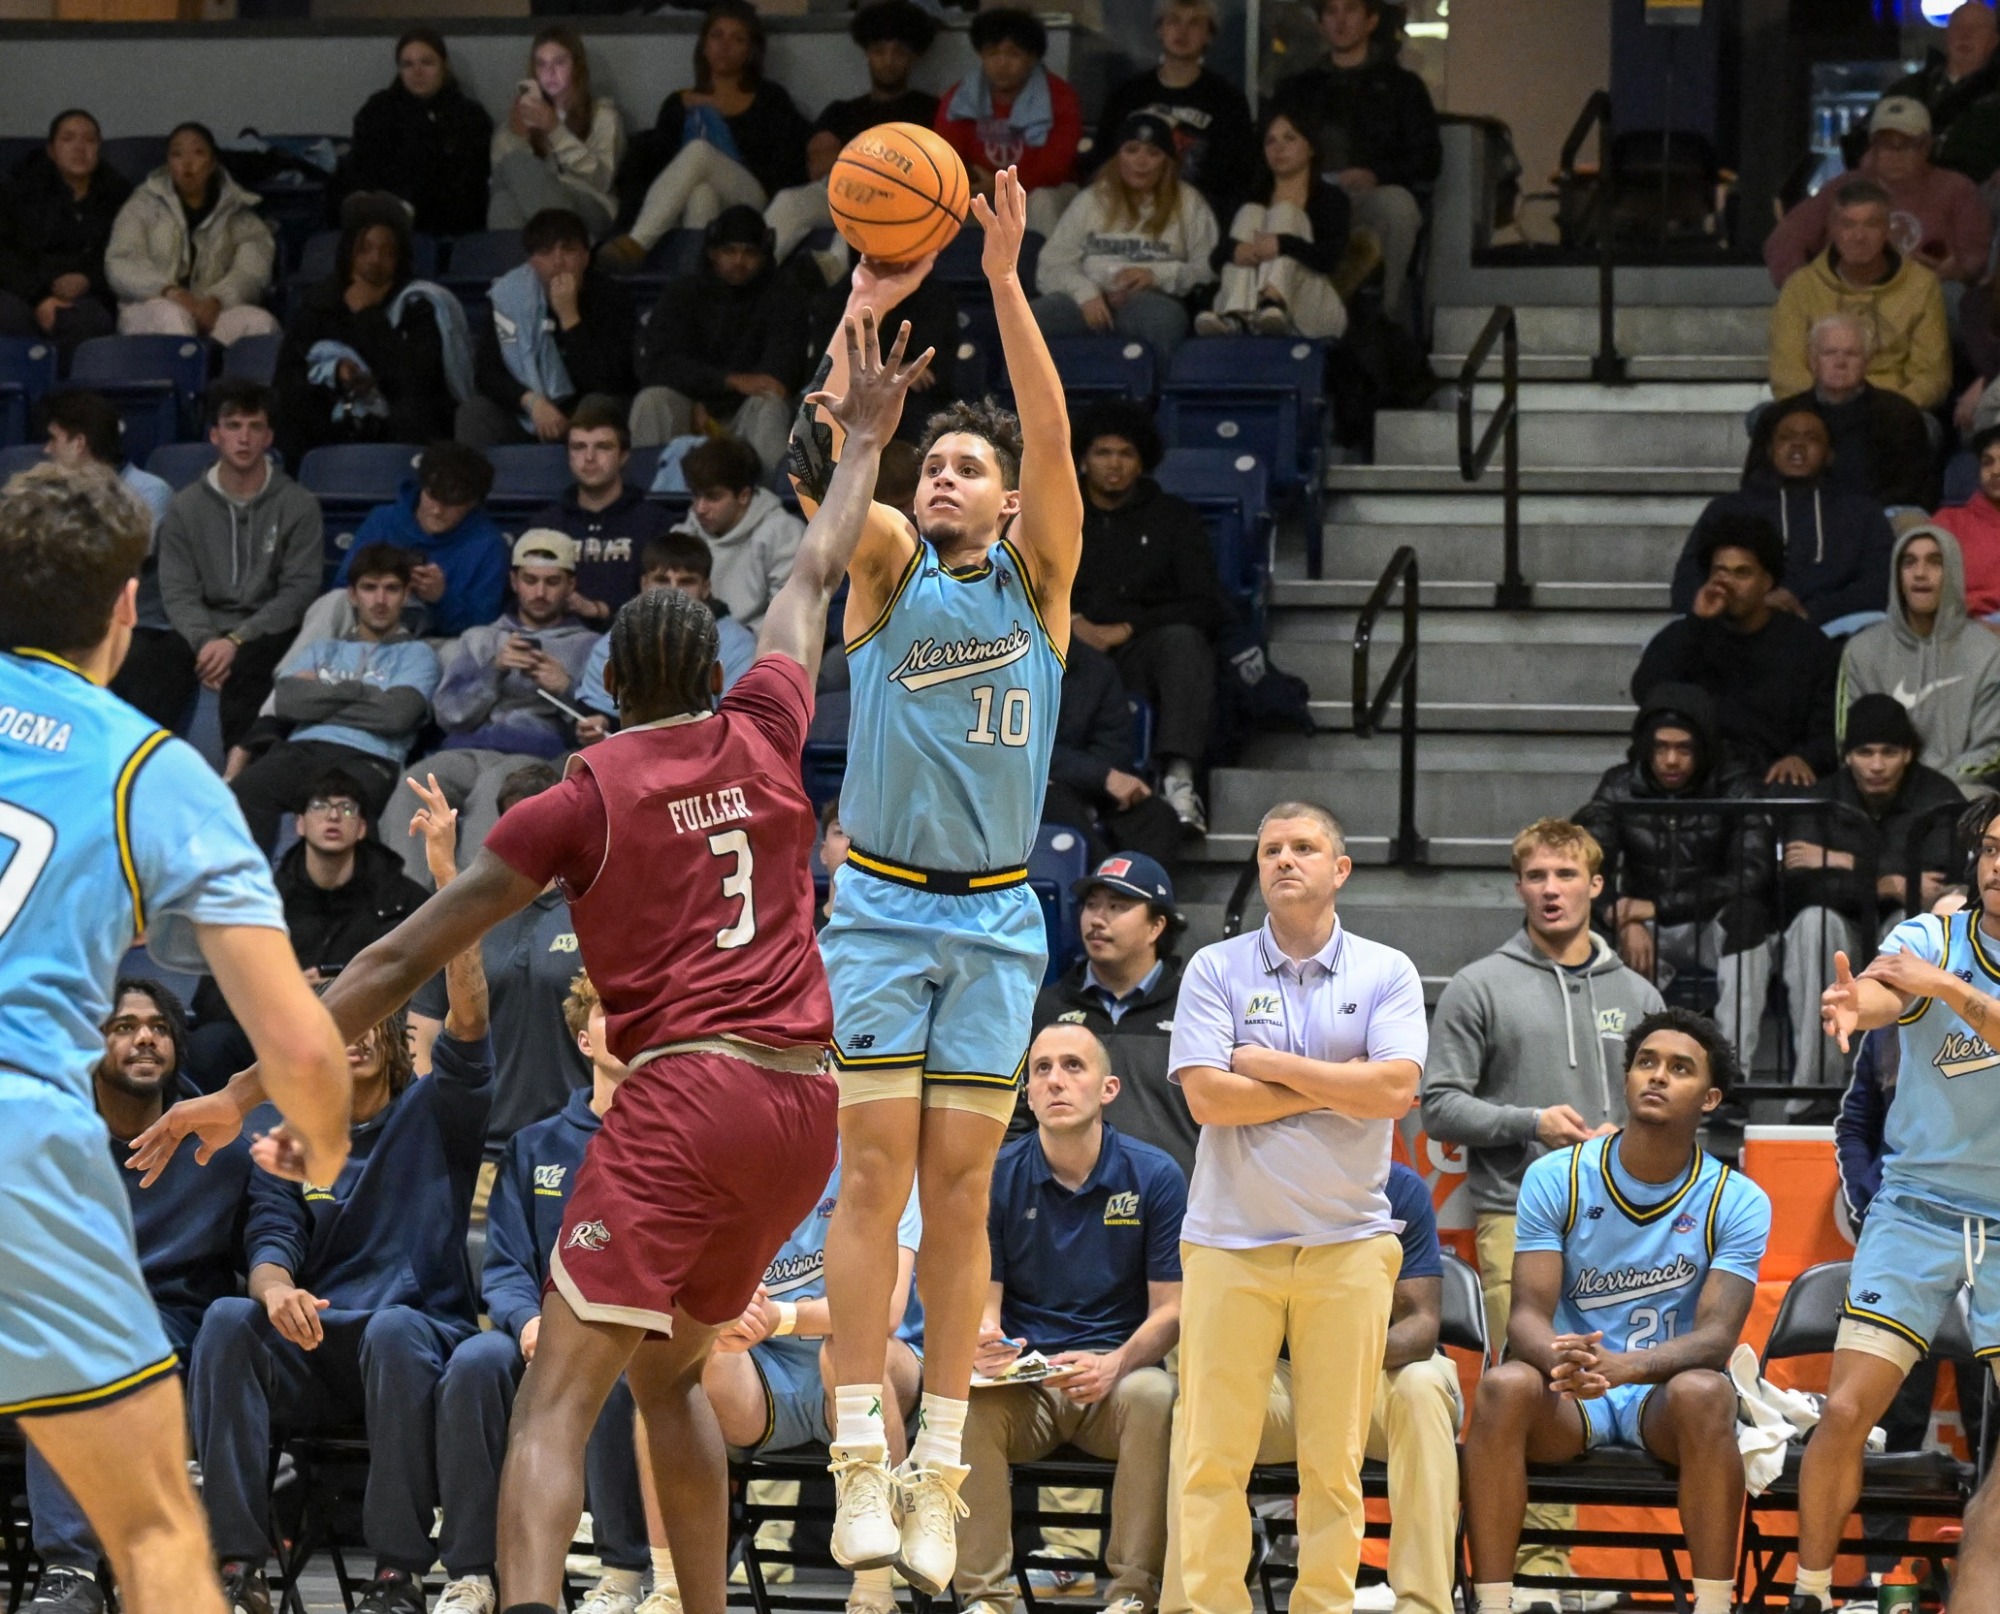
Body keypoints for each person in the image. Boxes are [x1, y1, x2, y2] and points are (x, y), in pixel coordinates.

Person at [133, 310, 933, 1614]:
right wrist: (864, 446)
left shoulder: (584, 788)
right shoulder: (769, 727)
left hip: (688, 1092)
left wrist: (243, 1091)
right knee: (670, 1370)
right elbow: (817, 572)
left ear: (609, 682)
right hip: (802, 1101)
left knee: (559, 1391)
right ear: (715, 675)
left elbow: (396, 953)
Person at [798, 173, 1081, 1596]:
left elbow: (1050, 430)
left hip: (996, 912)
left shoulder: (1039, 584)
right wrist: (858, 329)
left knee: (965, 1191)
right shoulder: (892, 570)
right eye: (933, 467)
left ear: (1012, 501)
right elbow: (826, 473)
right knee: (872, 1176)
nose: (943, 479)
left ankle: (943, 1456)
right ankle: (860, 1442)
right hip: (886, 906)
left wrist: (1009, 280)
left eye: (968, 468)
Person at [0, 462, 349, 1614]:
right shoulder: (150, 768)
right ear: (127, 608)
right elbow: (302, 1056)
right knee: (154, 1531)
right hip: (18, 1134)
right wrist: (321, 1150)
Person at [185, 776, 494, 1614]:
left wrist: (449, 878)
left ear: (394, 1036)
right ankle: (236, 1568)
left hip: (409, 1343)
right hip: (317, 1345)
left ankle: (398, 1572)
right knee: (226, 1318)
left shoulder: (440, 1110)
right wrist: (276, 1289)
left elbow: (468, 1017)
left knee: (394, 1328)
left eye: (369, 1020)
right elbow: (269, 1241)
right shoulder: (287, 1128)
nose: (351, 1033)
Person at [1165, 801, 1426, 1614]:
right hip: (1228, 1241)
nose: (1285, 859)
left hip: (1348, 1242)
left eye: (1305, 847)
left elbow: (1396, 1090)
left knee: (1334, 1466)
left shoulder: (1388, 971)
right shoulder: (1214, 967)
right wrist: (1332, 1086)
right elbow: (1210, 1099)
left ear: (1339, 869)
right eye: (1271, 847)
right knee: (1210, 1457)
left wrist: (1271, 1067)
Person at [1461, 1011, 1771, 1614]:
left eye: (1679, 1069)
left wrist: (1624, 1367)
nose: (1657, 1077)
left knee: (1707, 1392)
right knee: (1502, 1385)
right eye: (1646, 1062)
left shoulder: (1736, 1199)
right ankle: (1493, 1603)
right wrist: (1559, 1353)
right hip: (1572, 1392)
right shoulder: (1558, 1176)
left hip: (1661, 1396)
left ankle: (1714, 1605)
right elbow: (1525, 1312)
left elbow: (1717, 1337)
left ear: (1709, 1098)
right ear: (1627, 1078)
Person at [1781, 793, 2000, 1614]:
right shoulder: (1928, 937)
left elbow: (1935, 991)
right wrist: (1856, 1004)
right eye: (1989, 850)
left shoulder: (1941, 964)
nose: (1998, 864)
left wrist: (1947, 989)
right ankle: (1810, 1592)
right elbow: (1887, 991)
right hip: (1919, 1204)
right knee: (1844, 1408)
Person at [19, 980, 255, 1614]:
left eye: (157, 1027)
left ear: (178, 1045)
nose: (144, 1037)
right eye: (123, 1026)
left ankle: (72, 1569)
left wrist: (276, 1277)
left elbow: (269, 1234)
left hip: (176, 1337)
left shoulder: (219, 1142)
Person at [1157, 1158, 1462, 1614]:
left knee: (1423, 1389)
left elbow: (1422, 1326)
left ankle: (1423, 1604)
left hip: (1371, 1376)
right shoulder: (1247, 1187)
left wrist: (1334, 1356)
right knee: (1195, 1408)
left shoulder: (1397, 1186)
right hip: (1276, 1385)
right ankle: (1191, 1606)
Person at [434, 970, 649, 1614]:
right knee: (475, 1362)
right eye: (611, 1011)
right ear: (584, 1040)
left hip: (628, 1335)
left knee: (607, 1363)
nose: (626, 1026)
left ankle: (623, 1571)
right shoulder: (535, 1146)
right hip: (538, 1335)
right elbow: (503, 1266)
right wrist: (527, 1322)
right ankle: (472, 1573)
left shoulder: (672, 1145)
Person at [959, 1023, 1185, 1614]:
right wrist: (986, 1338)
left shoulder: (1155, 1175)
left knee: (1158, 1394)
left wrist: (1115, 1364)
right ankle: (986, 1597)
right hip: (1028, 1382)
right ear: (1026, 1094)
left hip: (1115, 1378)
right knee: (964, 1399)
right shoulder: (996, 1174)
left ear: (1108, 1088)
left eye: (1073, 1067)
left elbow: (1173, 1310)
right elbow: (986, 1297)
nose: (1056, 1080)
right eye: (1041, 1070)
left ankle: (1133, 1592)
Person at [1423, 817, 1664, 1344]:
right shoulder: (1478, 986)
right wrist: (1532, 1123)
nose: (1550, 889)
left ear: (1596, 885)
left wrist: (1628, 1143)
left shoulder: (1641, 996)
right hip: (1518, 1213)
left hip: (1626, 1215)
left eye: (1565, 874)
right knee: (1524, 1383)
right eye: (1536, 876)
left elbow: (1670, 1112)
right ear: (1519, 888)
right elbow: (1438, 1106)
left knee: (1618, 1381)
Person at [699, 1148, 924, 1614]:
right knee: (670, 1377)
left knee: (849, 1350)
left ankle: (875, 1591)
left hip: (879, 1361)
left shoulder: (886, 1161)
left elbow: (884, 1312)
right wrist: (723, 1314)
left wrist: (781, 1315)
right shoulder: (738, 1158)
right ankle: (667, 1587)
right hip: (765, 1369)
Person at [188, 765, 429, 1091]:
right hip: (272, 1039)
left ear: (360, 828)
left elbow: (425, 990)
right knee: (209, 1044)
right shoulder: (259, 902)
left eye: (346, 809)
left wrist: (344, 993)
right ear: (299, 824)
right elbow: (209, 997)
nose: (332, 817)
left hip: (361, 1037)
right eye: (319, 806)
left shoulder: (400, 900)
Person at [1573, 684, 1772, 1077]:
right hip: (1643, 928)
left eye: (1684, 749)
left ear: (1704, 750)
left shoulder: (1736, 785)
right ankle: (1613, 1079)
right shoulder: (1619, 784)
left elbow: (1753, 872)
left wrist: (1660, 906)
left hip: (1713, 926)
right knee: (1580, 921)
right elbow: (1584, 864)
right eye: (1661, 747)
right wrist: (1620, 915)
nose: (1671, 760)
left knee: (1749, 917)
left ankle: (1732, 1079)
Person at [1772, 694, 1964, 1096]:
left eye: (1889, 752)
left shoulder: (1939, 795)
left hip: (1898, 927)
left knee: (1913, 928)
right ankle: (1813, 1091)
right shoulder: (1821, 798)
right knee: (1813, 923)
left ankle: (1895, 1088)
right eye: (1865, 752)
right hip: (1837, 929)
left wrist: (1841, 861)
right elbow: (1799, 885)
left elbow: (1940, 883)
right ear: (1848, 756)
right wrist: (1886, 880)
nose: (1876, 765)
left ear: (1908, 753)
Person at [386, 530, 601, 883]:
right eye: (530, 580)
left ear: (570, 585)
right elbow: (449, 715)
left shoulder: (590, 645)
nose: (540, 593)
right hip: (468, 749)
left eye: (552, 582)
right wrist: (493, 672)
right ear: (514, 581)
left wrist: (566, 688)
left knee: (497, 787)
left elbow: (600, 725)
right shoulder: (480, 638)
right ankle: (408, 908)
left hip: (538, 755)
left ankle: (472, 916)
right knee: (416, 782)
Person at [228, 543, 443, 852]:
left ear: (406, 595)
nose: (380, 600)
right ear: (353, 595)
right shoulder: (322, 649)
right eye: (370, 588)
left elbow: (397, 717)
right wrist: (364, 692)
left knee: (349, 812)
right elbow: (288, 703)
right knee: (243, 791)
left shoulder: (418, 655)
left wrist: (324, 696)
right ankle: (251, 896)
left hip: (369, 758)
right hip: (299, 750)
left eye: (391, 589)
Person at [1069, 399, 1223, 831]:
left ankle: (1179, 779)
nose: (1113, 465)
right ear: (1083, 459)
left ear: (1142, 462)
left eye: (1126, 454)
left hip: (1139, 649)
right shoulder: (1059, 516)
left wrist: (1129, 628)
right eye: (1102, 453)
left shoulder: (1173, 518)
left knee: (1184, 641)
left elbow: (1206, 602)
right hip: (1066, 648)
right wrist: (1073, 622)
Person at [155, 379, 325, 760]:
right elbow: (178, 590)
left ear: (269, 437)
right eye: (233, 426)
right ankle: (145, 769)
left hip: (267, 629)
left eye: (254, 426)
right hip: (203, 628)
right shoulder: (186, 506)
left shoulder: (298, 504)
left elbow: (299, 591)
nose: (244, 438)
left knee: (254, 664)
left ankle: (241, 777)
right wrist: (205, 642)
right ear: (215, 435)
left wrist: (237, 640)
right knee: (150, 659)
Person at [1633, 514, 1843, 786]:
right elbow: (1648, 693)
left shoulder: (1809, 646)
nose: (1727, 583)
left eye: (1742, 573)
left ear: (1768, 581)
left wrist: (1805, 757)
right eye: (1720, 571)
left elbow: (1829, 727)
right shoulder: (1685, 635)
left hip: (1775, 781)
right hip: (1696, 781)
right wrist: (1697, 624)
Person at [600, 0, 810, 270]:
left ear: (750, 51)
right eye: (717, 35)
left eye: (738, 39)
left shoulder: (769, 99)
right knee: (702, 194)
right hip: (686, 204)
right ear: (704, 45)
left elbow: (785, 163)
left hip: (753, 199)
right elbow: (658, 166)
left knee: (700, 151)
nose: (724, 46)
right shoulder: (678, 103)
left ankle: (637, 242)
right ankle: (696, 283)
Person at [1269, 0, 1441, 317]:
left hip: (1368, 197)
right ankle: (1279, 311)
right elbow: (1267, 148)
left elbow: (1428, 158)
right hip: (1308, 197)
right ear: (1320, 24)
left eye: (1350, 11)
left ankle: (1382, 318)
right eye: (1331, 12)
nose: (1340, 21)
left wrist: (1376, 174)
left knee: (1397, 206)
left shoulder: (1403, 88)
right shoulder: (1298, 89)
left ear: (1371, 20)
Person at [1030, 854, 1193, 1173]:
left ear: (1156, 926)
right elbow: (1020, 1115)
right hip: (1066, 1207)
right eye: (1091, 905)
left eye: (1117, 906)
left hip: (1174, 1205)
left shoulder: (1195, 1007)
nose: (1097, 919)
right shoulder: (1047, 1008)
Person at [1673, 402, 1895, 634]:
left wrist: (1812, 609)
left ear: (1829, 455)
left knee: (1875, 625)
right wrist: (1751, 606)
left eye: (1811, 438)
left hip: (1828, 626)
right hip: (1739, 625)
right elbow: (1686, 585)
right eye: (1786, 437)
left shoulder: (1862, 511)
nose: (1797, 445)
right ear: (1770, 450)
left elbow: (1881, 583)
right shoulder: (1728, 509)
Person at [272, 195, 455, 467]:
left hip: (394, 418)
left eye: (387, 252)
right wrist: (336, 373)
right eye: (364, 250)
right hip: (331, 413)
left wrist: (368, 315)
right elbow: (286, 375)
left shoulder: (418, 304)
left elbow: (417, 380)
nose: (374, 260)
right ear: (348, 253)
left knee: (416, 410)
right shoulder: (320, 301)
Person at [760, 0, 942, 266]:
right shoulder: (842, 111)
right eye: (880, 51)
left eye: (899, 52)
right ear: (867, 53)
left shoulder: (931, 109)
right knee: (790, 200)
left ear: (913, 57)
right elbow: (818, 166)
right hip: (839, 190)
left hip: (900, 201)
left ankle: (832, 267)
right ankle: (751, 272)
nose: (889, 61)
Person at [631, 205, 811, 469]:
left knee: (770, 405)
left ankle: (768, 503)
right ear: (713, 253)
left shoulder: (784, 296)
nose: (739, 261)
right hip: (690, 407)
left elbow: (778, 380)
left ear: (764, 255)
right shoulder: (683, 293)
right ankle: (650, 501)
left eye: (749, 252)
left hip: (744, 414)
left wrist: (711, 399)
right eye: (729, 251)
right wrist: (726, 383)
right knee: (652, 400)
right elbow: (658, 365)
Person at [1031, 113, 1219, 356]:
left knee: (1163, 320)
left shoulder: (1189, 203)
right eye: (1131, 150)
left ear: (1167, 161)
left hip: (1150, 300)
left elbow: (1208, 269)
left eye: (1153, 153)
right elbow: (1052, 263)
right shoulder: (1091, 199)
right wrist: (1085, 293)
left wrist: (1156, 276)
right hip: (1087, 297)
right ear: (1118, 155)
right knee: (1024, 319)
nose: (1140, 162)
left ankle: (1149, 393)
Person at [1765, 96, 1989, 287]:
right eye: (1885, 143)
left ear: (1927, 146)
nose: (1895, 153)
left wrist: (1957, 271)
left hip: (1927, 297)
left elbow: (1976, 258)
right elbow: (1786, 238)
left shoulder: (1957, 189)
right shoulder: (1843, 187)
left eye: (1907, 144)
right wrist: (1805, 289)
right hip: (1848, 299)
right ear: (1872, 146)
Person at [1768, 178, 1951, 412]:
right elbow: (1787, 371)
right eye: (1847, 225)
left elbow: (1931, 377)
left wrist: (1884, 412)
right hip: (1817, 407)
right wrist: (1825, 411)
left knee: (1923, 431)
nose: (1859, 236)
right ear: (1832, 229)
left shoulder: (1922, 285)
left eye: (1871, 225)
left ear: (1887, 229)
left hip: (1893, 411)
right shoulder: (1801, 286)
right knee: (1763, 420)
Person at [1839, 522, 2000, 788]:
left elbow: (1993, 749)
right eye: (1909, 563)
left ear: (1954, 573)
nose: (1920, 573)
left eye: (1935, 563)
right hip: (1880, 790)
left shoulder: (1989, 652)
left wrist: (1929, 788)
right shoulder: (1861, 650)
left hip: (1959, 791)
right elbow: (1848, 741)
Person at [462, 208, 636, 449]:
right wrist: (532, 402)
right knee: (475, 412)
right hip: (532, 415)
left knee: (595, 406)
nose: (558, 262)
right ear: (531, 261)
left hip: (588, 413)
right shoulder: (511, 297)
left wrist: (569, 317)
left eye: (569, 250)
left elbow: (611, 382)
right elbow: (487, 373)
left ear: (586, 256)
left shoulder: (612, 298)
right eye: (545, 252)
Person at [104, 122, 279, 346]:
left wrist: (217, 300)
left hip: (212, 311)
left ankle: (230, 382)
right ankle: (189, 379)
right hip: (150, 308)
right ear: (168, 163)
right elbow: (121, 262)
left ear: (213, 163)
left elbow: (252, 271)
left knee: (261, 324)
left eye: (198, 153)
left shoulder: (240, 214)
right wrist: (170, 292)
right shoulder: (140, 206)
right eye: (177, 154)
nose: (187, 164)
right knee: (174, 318)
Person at [1745, 313, 1935, 510]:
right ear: (1812, 360)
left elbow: (1915, 492)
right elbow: (1754, 486)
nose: (1840, 362)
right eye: (1829, 353)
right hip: (1796, 517)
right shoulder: (1779, 417)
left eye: (1851, 354)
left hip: (1877, 524)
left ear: (1867, 362)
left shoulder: (1899, 415)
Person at [1197, 108, 1353, 341]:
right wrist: (1235, 250)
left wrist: (1282, 244)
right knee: (1251, 212)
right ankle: (1236, 313)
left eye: (1289, 138)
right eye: (1270, 141)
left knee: (1286, 213)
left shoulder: (1331, 199)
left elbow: (1329, 260)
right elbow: (1215, 258)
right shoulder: (1250, 197)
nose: (1279, 148)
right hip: (1251, 311)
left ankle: (1273, 302)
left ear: (1311, 147)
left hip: (1312, 309)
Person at [1091, 0, 1255, 219]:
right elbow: (1102, 161)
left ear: (1209, 35)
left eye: (1194, 23)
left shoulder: (1228, 101)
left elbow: (1238, 177)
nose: (1182, 31)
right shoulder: (1127, 96)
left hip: (1196, 216)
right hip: (1127, 210)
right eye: (1173, 21)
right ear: (1160, 29)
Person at [576, 532, 758, 726]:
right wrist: (601, 723)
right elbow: (598, 710)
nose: (673, 592)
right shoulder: (613, 642)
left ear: (705, 588)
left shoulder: (739, 644)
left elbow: (739, 723)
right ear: (644, 584)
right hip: (627, 751)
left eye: (686, 582)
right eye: (662, 581)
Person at [336, 440, 508, 639]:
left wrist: (442, 598)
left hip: (437, 643)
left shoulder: (489, 544)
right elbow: (343, 584)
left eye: (451, 503)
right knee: (333, 601)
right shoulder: (383, 520)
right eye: (432, 496)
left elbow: (483, 630)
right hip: (368, 629)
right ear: (421, 487)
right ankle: (299, 668)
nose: (437, 511)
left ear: (472, 503)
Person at [934, 11, 1084, 236]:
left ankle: (1041, 269)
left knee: (1041, 201)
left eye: (1013, 54)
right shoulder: (960, 97)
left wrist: (1000, 187)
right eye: (992, 53)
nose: (1002, 63)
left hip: (1042, 191)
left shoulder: (1059, 96)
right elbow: (943, 156)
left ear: (1033, 57)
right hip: (979, 189)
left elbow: (1053, 169)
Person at [528, 398, 673, 627]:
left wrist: (601, 611)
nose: (589, 458)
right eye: (578, 447)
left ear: (624, 455)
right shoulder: (545, 524)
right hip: (555, 641)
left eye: (602, 447)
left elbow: (666, 601)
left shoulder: (655, 523)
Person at [1045, 640, 1185, 869]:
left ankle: (1146, 902)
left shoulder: (1095, 668)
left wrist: (1096, 777)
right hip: (1021, 797)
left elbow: (1114, 751)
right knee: (1052, 800)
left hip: (1088, 790)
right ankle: (1110, 891)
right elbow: (1010, 753)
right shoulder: (991, 665)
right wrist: (1099, 775)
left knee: (1158, 817)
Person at [0, 109, 128, 357]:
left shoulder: (119, 197)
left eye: (89, 140)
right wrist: (39, 298)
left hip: (89, 295)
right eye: (68, 139)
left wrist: (88, 279)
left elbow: (125, 254)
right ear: (51, 150)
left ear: (99, 149)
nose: (79, 147)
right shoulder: (19, 192)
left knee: (87, 321)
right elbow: (5, 253)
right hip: (25, 290)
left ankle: (70, 394)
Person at [346, 27, 493, 238]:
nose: (417, 72)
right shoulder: (377, 111)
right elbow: (363, 165)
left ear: (444, 66)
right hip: (384, 210)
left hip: (448, 217)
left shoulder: (470, 116)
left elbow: (472, 179)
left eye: (427, 62)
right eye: (408, 64)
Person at [488, 27, 622, 240]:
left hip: (590, 206)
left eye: (559, 63)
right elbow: (499, 177)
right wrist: (517, 136)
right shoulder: (524, 113)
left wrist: (554, 129)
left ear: (576, 67)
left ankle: (546, 262)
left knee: (513, 164)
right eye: (541, 64)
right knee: (503, 202)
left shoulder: (603, 116)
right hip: (538, 209)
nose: (549, 73)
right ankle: (540, 267)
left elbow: (602, 181)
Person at [670, 437, 804, 631]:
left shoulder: (783, 533)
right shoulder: (683, 535)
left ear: (744, 496)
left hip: (755, 648)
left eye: (712, 497)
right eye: (696, 495)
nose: (700, 508)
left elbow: (788, 619)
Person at [1887, 1, 2000, 155]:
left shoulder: (1995, 97)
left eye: (1976, 29)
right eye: (1958, 28)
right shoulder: (1911, 90)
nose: (1965, 35)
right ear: (1947, 34)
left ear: (1994, 40)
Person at [1928, 422, 2000, 617]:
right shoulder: (1949, 522)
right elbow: (1929, 586)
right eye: (1987, 462)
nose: (1996, 471)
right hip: (1964, 626)